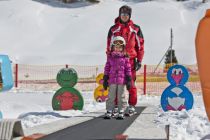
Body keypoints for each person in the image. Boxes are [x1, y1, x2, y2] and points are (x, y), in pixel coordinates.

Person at [106, 5, 144, 116]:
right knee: (116, 84)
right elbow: (109, 47)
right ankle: (116, 106)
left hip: (130, 62)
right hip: (116, 61)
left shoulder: (136, 29)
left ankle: (131, 105)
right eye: (122, 14)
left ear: (130, 16)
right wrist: (109, 61)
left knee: (130, 84)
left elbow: (140, 46)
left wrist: (139, 60)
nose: (124, 16)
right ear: (119, 15)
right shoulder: (113, 29)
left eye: (127, 14)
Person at [103, 36, 132, 119]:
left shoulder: (125, 58)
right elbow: (107, 68)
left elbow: (128, 69)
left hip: (122, 81)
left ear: (123, 48)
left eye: (119, 47)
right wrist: (105, 78)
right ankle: (109, 110)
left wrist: (129, 79)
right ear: (112, 47)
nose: (117, 48)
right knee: (111, 96)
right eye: (116, 47)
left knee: (121, 96)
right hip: (112, 80)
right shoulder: (110, 57)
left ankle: (121, 110)